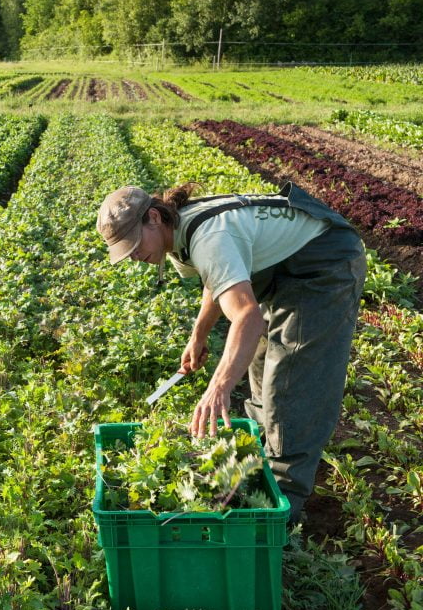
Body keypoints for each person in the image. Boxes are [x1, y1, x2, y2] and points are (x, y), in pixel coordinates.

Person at [96, 182, 366, 525]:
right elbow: (217, 278)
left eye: (133, 244)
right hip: (287, 269)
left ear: (153, 217)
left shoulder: (208, 238)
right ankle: (254, 467)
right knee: (257, 365)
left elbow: (246, 316)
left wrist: (218, 387)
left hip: (324, 265)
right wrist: (199, 335)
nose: (133, 255)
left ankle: (279, 514)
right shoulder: (178, 232)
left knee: (290, 388)